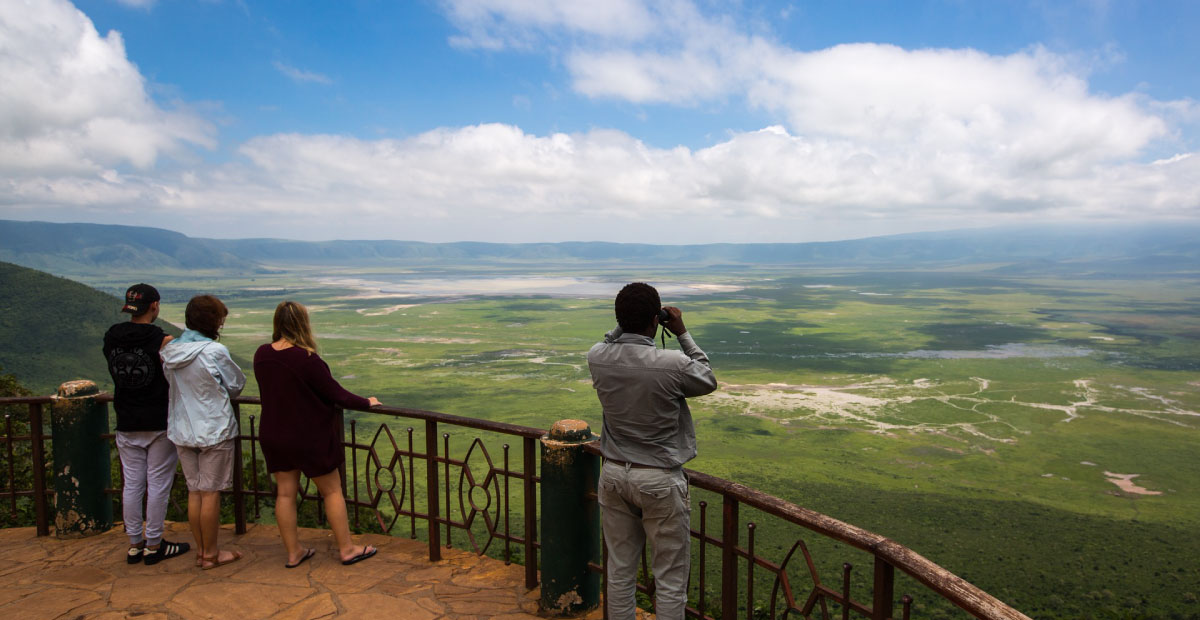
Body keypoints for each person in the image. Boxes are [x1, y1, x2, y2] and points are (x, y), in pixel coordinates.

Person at [587, 282, 718, 620]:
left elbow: (608, 339)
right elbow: (707, 378)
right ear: (654, 319)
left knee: (618, 572)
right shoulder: (672, 363)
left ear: (619, 319)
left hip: (614, 473)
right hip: (659, 479)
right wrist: (682, 332)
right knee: (670, 579)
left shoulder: (597, 357)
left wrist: (626, 324)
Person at [253, 300, 380, 568]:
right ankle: (346, 549)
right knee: (332, 492)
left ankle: (293, 552)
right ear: (303, 324)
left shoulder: (262, 354)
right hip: (307, 436)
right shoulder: (307, 359)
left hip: (274, 434)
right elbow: (336, 394)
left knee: (285, 494)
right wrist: (366, 402)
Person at [103, 283, 191, 565]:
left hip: (126, 419)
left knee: (132, 484)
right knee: (158, 484)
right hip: (158, 421)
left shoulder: (112, 337)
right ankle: (154, 545)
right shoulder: (162, 340)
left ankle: (134, 544)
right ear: (155, 306)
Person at [161, 295, 246, 570]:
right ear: (214, 321)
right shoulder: (214, 352)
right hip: (214, 428)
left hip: (182, 429)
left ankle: (201, 552)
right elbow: (235, 385)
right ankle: (211, 554)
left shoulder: (170, 351)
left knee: (194, 492)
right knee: (210, 493)